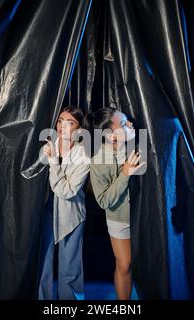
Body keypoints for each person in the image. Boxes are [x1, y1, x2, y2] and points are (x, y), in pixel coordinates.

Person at [84, 108, 145, 300]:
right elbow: (103, 201)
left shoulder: (138, 145)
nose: (130, 124)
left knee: (144, 262)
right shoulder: (99, 162)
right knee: (125, 264)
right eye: (123, 124)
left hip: (142, 214)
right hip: (119, 218)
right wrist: (125, 174)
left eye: (127, 120)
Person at [38, 106, 90, 300]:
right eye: (61, 120)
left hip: (71, 214)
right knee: (43, 261)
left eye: (71, 123)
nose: (63, 126)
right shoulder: (47, 145)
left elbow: (66, 191)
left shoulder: (84, 155)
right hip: (45, 211)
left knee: (70, 265)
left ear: (79, 129)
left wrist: (53, 161)